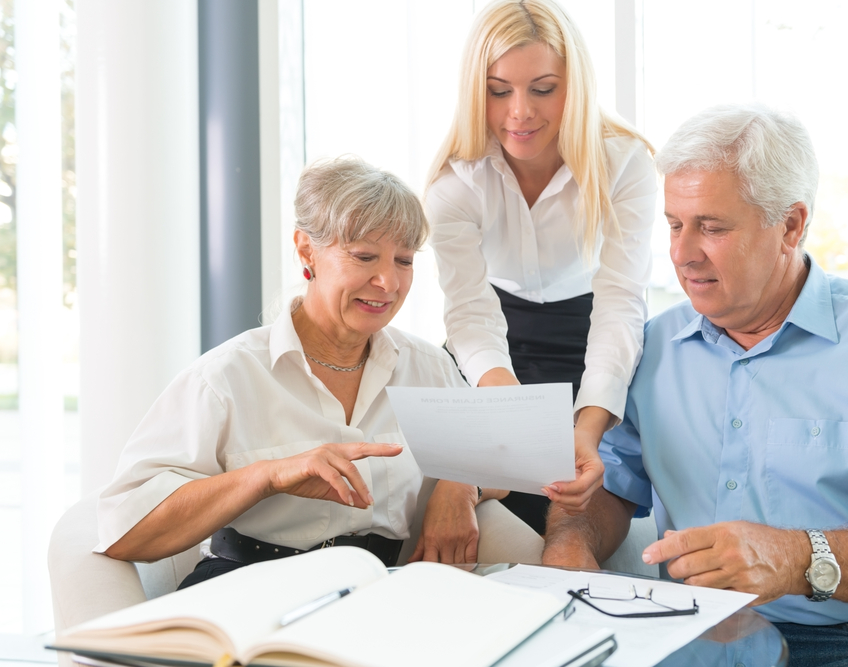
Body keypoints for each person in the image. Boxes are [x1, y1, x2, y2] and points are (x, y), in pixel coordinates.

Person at [542, 104, 848, 666]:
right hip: (684, 634)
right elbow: (608, 486)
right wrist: (569, 541)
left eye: (711, 227)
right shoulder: (648, 348)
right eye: (675, 225)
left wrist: (796, 557)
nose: (683, 254)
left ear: (790, 225)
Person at [96, 156, 541, 586]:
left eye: (404, 260)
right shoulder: (225, 378)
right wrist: (268, 476)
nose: (388, 282)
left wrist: (461, 484)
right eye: (365, 256)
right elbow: (124, 527)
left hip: (380, 591)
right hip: (245, 589)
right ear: (306, 249)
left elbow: (503, 456)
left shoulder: (427, 368)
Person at [424, 0, 657, 535]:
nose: (520, 112)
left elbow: (620, 300)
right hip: (489, 352)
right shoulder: (454, 182)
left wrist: (589, 421)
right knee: (450, 504)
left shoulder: (625, 162)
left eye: (543, 88)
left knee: (568, 515)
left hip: (591, 337)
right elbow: (469, 315)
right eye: (499, 90)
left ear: (574, 84)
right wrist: (512, 416)